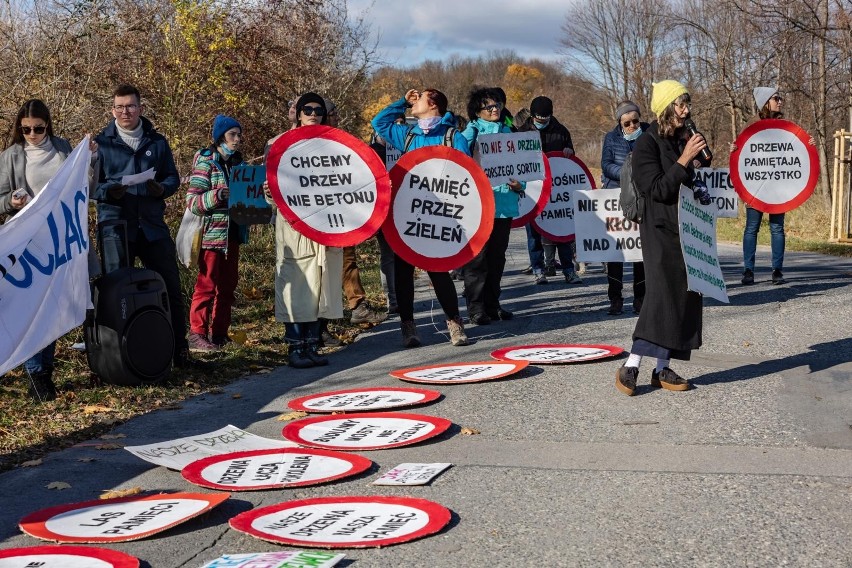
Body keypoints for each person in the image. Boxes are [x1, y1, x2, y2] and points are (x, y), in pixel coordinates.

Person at [615, 80, 712, 396]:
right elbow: (656, 190)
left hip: (683, 230)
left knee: (681, 297)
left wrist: (696, 179)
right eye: (681, 104)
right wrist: (684, 160)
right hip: (658, 230)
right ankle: (631, 365)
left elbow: (684, 180)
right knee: (659, 298)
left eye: (687, 104)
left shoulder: (676, 140)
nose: (687, 110)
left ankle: (661, 368)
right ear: (667, 108)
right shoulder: (647, 144)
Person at [94, 84, 199, 369]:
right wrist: (109, 191)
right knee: (114, 295)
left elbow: (172, 179)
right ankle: (118, 362)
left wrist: (159, 189)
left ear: (141, 108)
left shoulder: (157, 142)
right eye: (119, 107)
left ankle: (180, 353)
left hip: (152, 226)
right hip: (116, 228)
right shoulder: (100, 143)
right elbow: (90, 187)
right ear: (111, 109)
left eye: (130, 106)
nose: (124, 112)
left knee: (170, 288)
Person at [0, 99, 98, 401]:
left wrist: (91, 161)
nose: (32, 134)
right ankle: (36, 375)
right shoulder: (11, 156)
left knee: (53, 305)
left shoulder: (63, 149)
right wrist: (11, 203)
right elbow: (0, 197)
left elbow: (84, 188)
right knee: (32, 307)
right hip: (29, 247)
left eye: (38, 128)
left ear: (48, 125)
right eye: (26, 129)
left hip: (60, 241)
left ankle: (46, 371)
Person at [372, 88, 470, 348]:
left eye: (420, 98)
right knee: (403, 272)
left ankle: (455, 324)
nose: (415, 102)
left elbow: (467, 177)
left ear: (434, 103)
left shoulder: (452, 136)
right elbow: (378, 123)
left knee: (438, 270)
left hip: (438, 215)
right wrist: (402, 102)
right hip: (408, 212)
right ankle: (408, 328)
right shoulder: (407, 134)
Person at [264, 93, 344, 368]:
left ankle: (312, 344)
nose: (312, 113)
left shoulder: (334, 143)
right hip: (294, 226)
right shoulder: (278, 144)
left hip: (325, 224)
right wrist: (270, 194)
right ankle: (295, 347)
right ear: (297, 113)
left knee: (320, 284)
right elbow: (270, 188)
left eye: (318, 109)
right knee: (297, 284)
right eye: (307, 109)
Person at [185, 115, 248, 352]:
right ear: (220, 137)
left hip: (233, 233)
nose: (237, 139)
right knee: (207, 284)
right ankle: (197, 333)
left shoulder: (239, 166)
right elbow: (193, 202)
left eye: (239, 135)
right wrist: (217, 195)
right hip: (212, 235)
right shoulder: (206, 163)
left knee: (228, 286)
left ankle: (220, 333)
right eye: (233, 134)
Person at [460, 87, 523, 324]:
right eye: (489, 106)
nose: (495, 109)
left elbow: (520, 167)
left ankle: (493, 304)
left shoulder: (508, 132)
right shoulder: (470, 133)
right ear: (478, 111)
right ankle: (475, 308)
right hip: (478, 206)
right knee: (477, 259)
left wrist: (521, 185)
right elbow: (458, 162)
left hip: (504, 203)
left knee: (497, 258)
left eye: (497, 104)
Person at [324, 98, 387, 329]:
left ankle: (358, 306)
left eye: (336, 112)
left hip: (342, 210)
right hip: (318, 214)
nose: (336, 117)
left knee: (347, 258)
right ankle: (321, 321)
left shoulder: (343, 141)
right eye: (332, 113)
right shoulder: (309, 143)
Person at [517, 96, 582, 284]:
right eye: (538, 120)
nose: (541, 123)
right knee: (534, 233)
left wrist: (569, 151)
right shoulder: (522, 133)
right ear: (532, 116)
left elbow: (569, 153)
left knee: (561, 230)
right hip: (532, 190)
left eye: (545, 120)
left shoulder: (561, 131)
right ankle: (538, 269)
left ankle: (569, 270)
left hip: (557, 189)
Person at [600, 100, 649, 315]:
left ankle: (640, 297)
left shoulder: (648, 133)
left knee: (640, 250)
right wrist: (626, 173)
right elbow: (606, 164)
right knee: (616, 252)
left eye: (635, 121)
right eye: (626, 122)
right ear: (619, 122)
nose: (631, 126)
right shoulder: (611, 138)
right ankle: (615, 298)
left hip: (641, 195)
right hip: (616, 192)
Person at [740, 87, 788, 286]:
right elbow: (743, 152)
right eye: (776, 98)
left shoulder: (785, 126)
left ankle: (777, 270)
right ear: (766, 102)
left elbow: (795, 153)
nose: (780, 101)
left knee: (777, 228)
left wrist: (808, 144)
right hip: (756, 186)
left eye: (780, 98)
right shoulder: (752, 126)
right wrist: (735, 149)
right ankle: (748, 271)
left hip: (777, 187)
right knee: (752, 228)